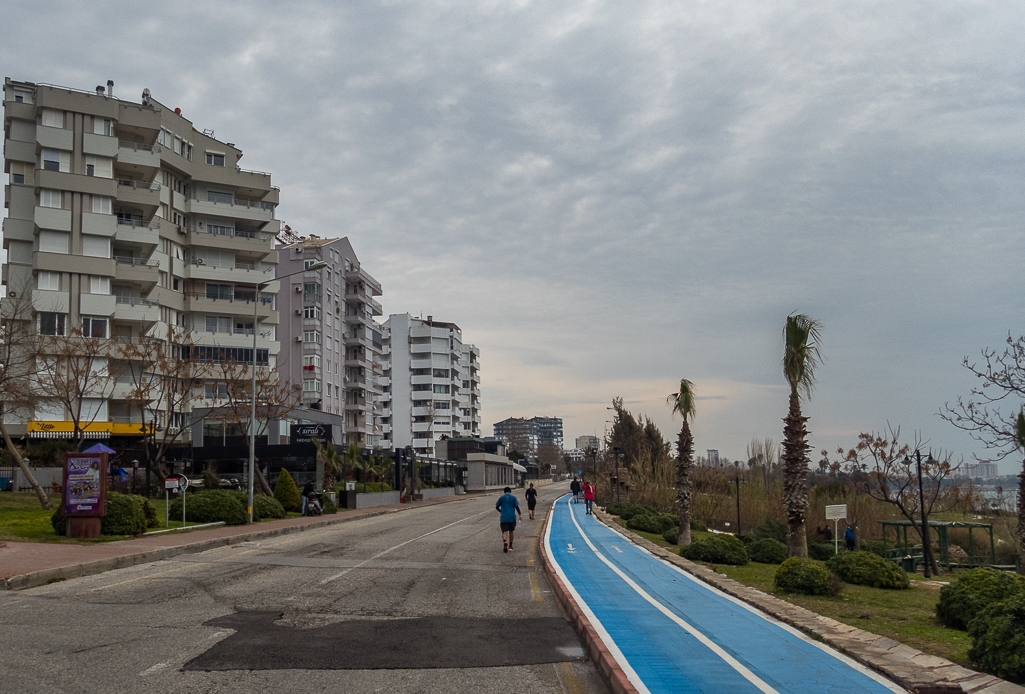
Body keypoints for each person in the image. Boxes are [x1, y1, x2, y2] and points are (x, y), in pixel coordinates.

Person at [495, 486, 522, 553]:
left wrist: (501, 511)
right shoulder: (513, 498)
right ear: (510, 491)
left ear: (504, 492)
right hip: (512, 517)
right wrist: (520, 514)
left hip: (504, 517)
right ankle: (510, 546)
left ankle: (505, 541)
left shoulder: (501, 498)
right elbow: (517, 507)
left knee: (504, 531)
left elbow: (497, 507)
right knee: (511, 531)